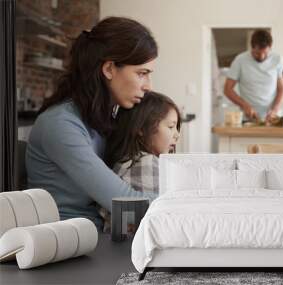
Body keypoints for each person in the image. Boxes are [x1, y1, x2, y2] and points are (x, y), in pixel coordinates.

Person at [26, 17, 158, 229]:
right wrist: (192, 204)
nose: (148, 86)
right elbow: (125, 203)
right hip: (67, 244)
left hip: (99, 235)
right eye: (142, 74)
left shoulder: (102, 117)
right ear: (109, 69)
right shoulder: (61, 124)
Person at [99, 91, 181, 231]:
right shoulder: (147, 163)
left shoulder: (125, 160)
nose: (177, 135)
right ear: (142, 128)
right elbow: (160, 220)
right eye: (170, 127)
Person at [224, 29, 283, 123]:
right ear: (251, 47)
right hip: (248, 119)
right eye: (257, 53)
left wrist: (275, 109)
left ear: (270, 47)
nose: (261, 57)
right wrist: (245, 106)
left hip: (272, 118)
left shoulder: (278, 59)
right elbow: (227, 89)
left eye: (265, 53)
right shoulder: (240, 60)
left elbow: (282, 89)